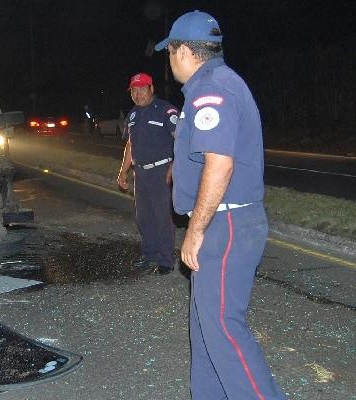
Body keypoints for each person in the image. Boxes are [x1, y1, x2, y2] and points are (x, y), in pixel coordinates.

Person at [154, 10, 286, 399]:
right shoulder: (209, 86)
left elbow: (220, 163)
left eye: (170, 51)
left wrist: (195, 232)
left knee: (224, 328)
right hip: (222, 221)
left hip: (225, 226)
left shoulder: (213, 89)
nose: (169, 58)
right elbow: (206, 155)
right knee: (205, 328)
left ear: (183, 52)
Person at [117, 73, 179, 275]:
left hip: (162, 171)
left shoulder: (165, 111)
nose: (138, 94)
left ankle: (165, 260)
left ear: (151, 89)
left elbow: (181, 139)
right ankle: (150, 254)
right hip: (141, 173)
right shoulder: (133, 115)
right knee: (144, 218)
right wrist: (123, 172)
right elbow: (130, 145)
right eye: (134, 90)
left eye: (142, 89)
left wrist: (174, 166)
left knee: (162, 217)